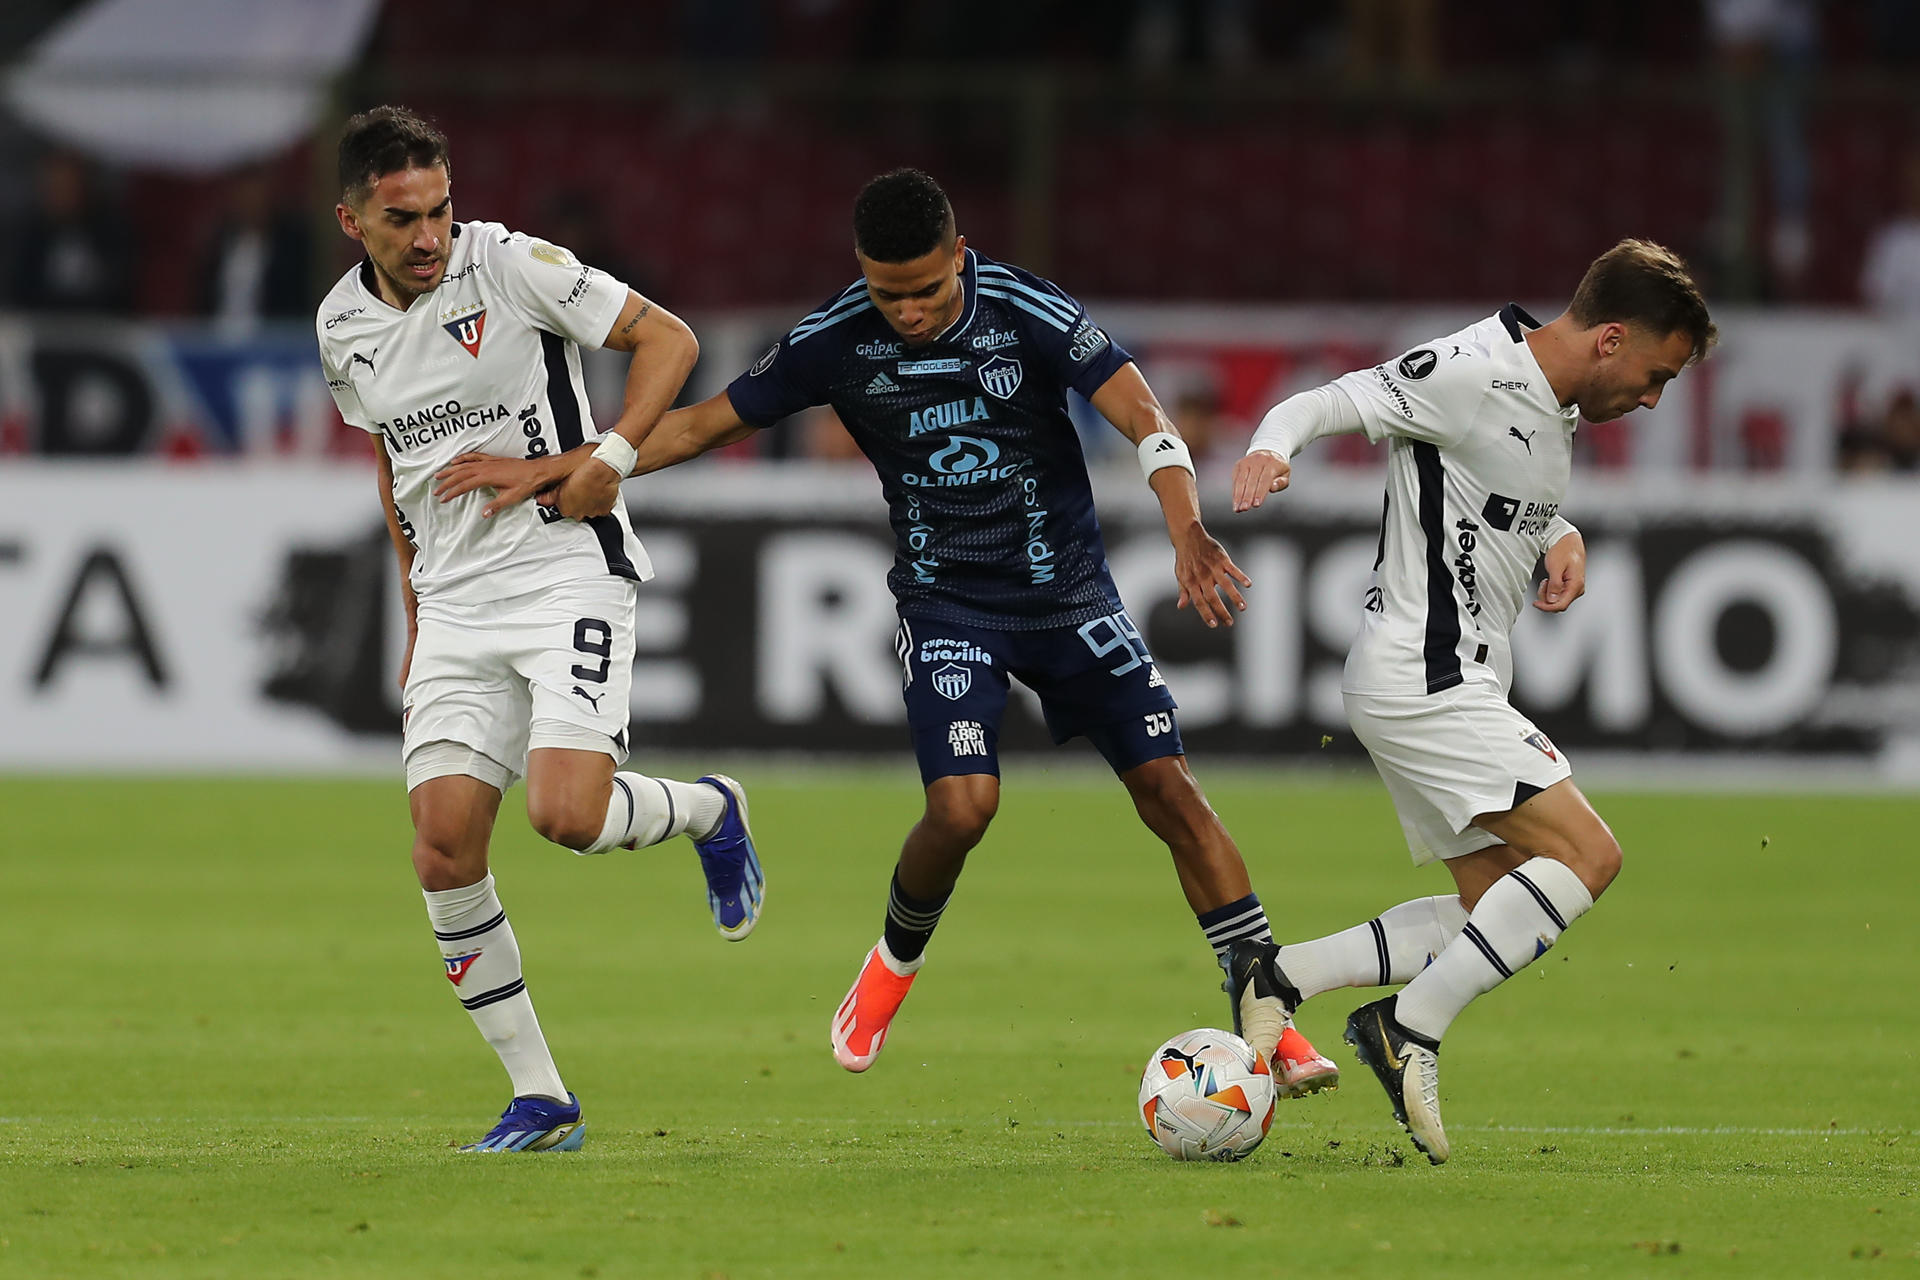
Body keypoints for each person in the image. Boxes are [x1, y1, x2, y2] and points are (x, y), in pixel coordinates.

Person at [455, 167, 1336, 1091]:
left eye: (927, 290)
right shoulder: (836, 338)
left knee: (1171, 792)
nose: (909, 312)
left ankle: (1269, 1019)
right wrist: (585, 464)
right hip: (949, 604)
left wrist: (1186, 527)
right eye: (889, 294)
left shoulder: (1026, 310)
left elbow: (1145, 417)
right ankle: (891, 967)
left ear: (960, 256)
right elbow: (705, 424)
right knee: (964, 808)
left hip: (1069, 595)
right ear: (861, 275)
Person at [315, 106, 764, 1154]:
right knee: (441, 848)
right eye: (401, 219)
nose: (428, 236)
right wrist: (417, 614)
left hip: (564, 564)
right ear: (350, 221)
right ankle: (542, 1097)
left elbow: (670, 337)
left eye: (440, 210)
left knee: (565, 814)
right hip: (457, 601)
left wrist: (606, 452)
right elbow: (396, 473)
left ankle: (707, 808)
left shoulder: (509, 265)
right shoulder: (342, 329)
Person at [1229, 239, 1715, 1164]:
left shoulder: (1550, 402)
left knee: (1495, 904)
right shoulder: (1469, 370)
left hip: (1437, 681)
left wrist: (1557, 531)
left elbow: (1489, 483)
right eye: (1656, 375)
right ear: (1612, 339)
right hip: (1428, 678)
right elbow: (1329, 399)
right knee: (1590, 856)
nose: (1652, 398)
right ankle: (1407, 1029)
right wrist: (1269, 447)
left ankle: (1280, 976)